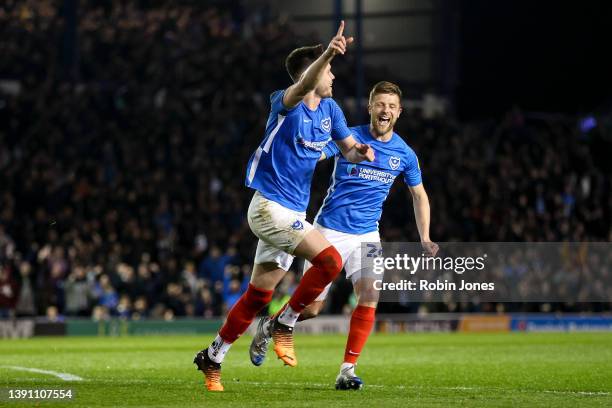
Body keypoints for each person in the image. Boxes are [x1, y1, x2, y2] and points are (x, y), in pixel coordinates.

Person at [193, 21, 375, 392]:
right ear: (312, 72)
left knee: (259, 294)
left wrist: (361, 151)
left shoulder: (331, 109)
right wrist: (327, 51)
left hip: (293, 213)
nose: (333, 75)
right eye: (329, 70)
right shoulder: (285, 102)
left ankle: (213, 356)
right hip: (268, 208)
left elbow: (346, 148)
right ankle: (285, 323)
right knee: (330, 262)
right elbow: (304, 86)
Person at [249, 81, 439, 390]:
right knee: (311, 308)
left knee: (370, 296)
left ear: (399, 112)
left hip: (368, 235)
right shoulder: (347, 137)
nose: (385, 110)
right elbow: (310, 154)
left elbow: (419, 195)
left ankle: (347, 370)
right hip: (329, 230)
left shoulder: (404, 153)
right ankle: (271, 325)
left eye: (391, 106)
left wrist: (425, 237)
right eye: (380, 104)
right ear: (370, 107)